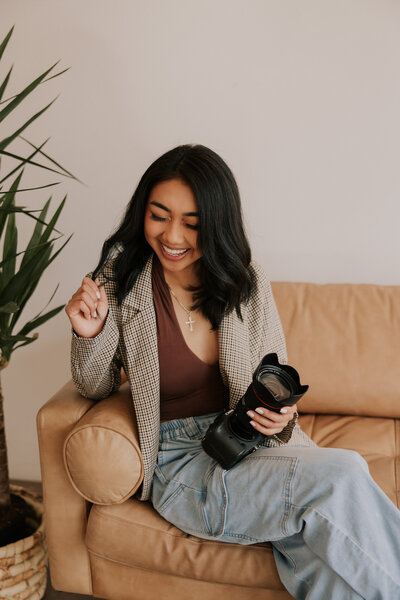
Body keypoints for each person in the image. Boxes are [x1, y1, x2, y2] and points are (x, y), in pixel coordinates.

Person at [66, 144, 400, 600]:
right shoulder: (120, 276)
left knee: (321, 567)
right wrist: (91, 332)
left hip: (251, 446)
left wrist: (280, 420)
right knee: (342, 472)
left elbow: (274, 375)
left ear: (217, 223)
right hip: (184, 467)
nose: (172, 236)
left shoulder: (246, 281)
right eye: (159, 215)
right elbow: (93, 385)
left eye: (193, 223)